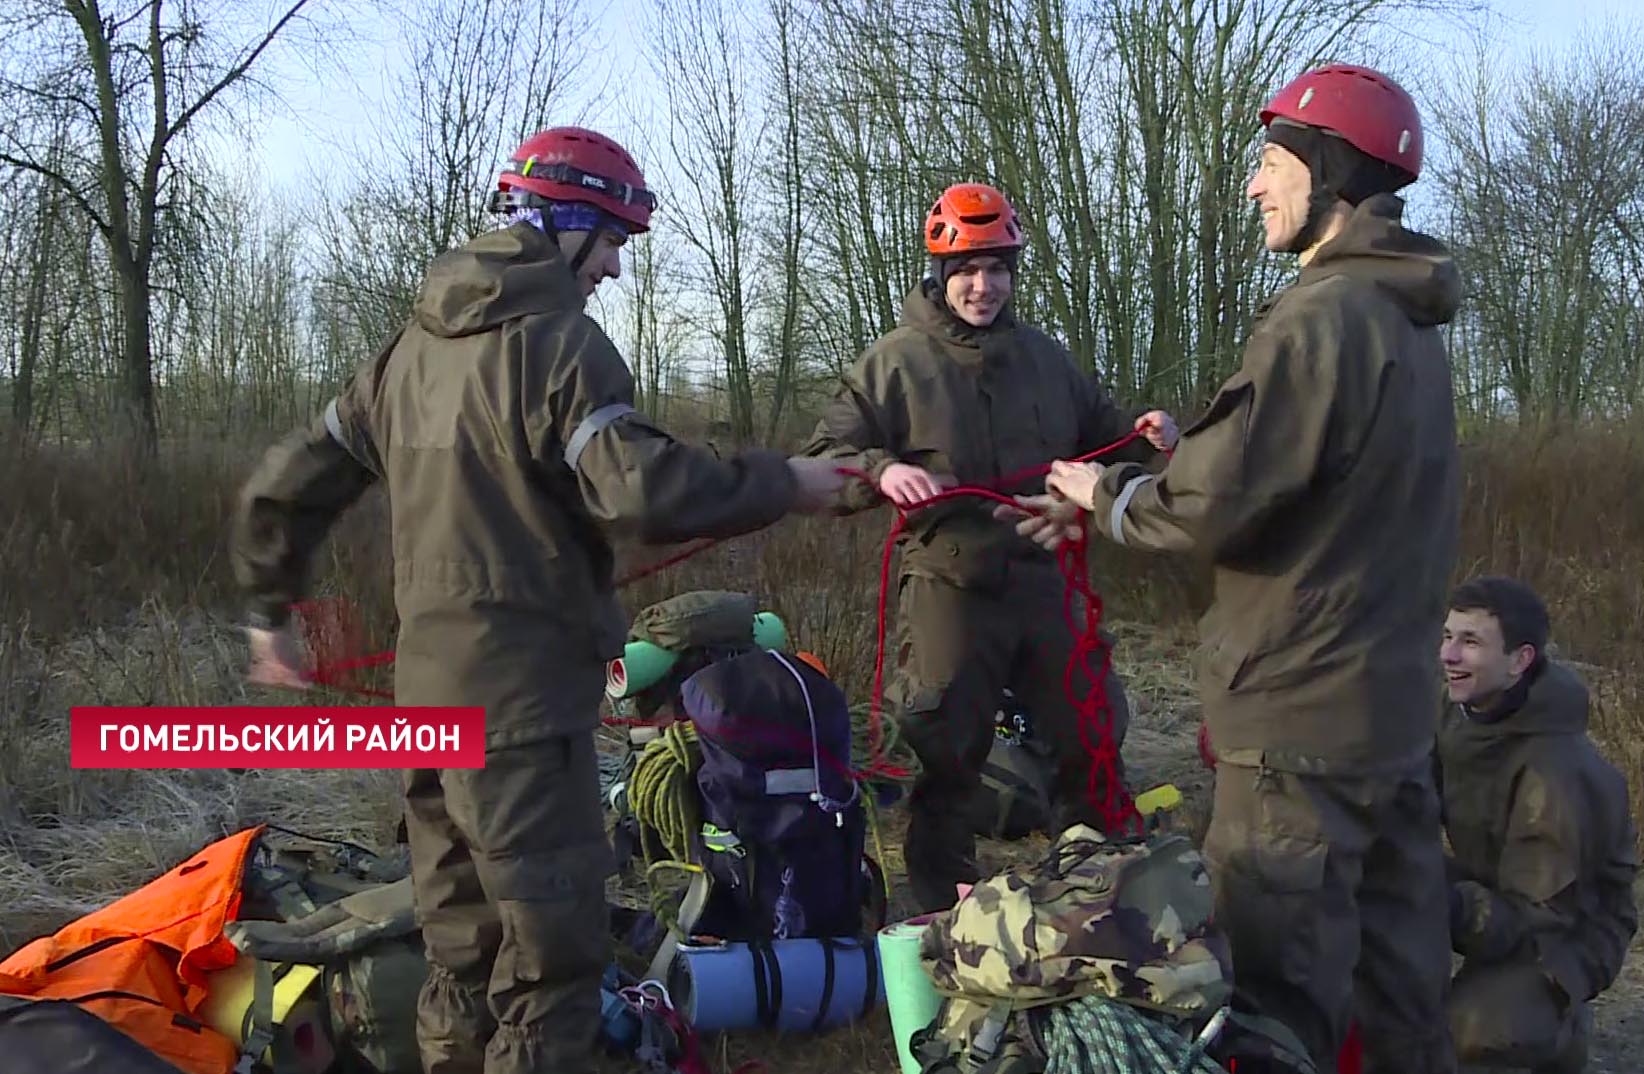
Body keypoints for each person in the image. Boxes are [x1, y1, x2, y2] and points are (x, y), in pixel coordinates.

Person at [228, 125, 845, 1074]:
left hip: (428, 709)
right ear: (564, 224)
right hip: (520, 722)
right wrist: (787, 482)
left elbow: (290, 479)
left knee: (460, 947)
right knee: (552, 966)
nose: (613, 267)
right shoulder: (562, 348)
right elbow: (639, 489)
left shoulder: (404, 353)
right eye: (612, 242)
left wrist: (272, 609)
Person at [1007, 65, 1464, 1074]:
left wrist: (1102, 495)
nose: (1254, 188)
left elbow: (1207, 506)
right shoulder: (1407, 329)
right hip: (1385, 718)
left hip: (1296, 729)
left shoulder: (1319, 318)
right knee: (1398, 993)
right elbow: (1307, 494)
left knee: (1270, 994)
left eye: (1268, 165)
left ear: (1327, 174)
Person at [800, 180, 1176, 913]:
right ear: (942, 276)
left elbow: (1107, 439)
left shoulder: (1046, 358)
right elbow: (821, 456)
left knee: (1089, 731)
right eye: (968, 270)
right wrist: (884, 469)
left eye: (997, 268)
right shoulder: (892, 362)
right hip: (949, 578)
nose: (984, 285)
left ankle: (1097, 894)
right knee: (945, 745)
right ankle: (944, 909)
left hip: (1046, 574)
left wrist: (1150, 437)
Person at [1436, 577, 1639, 1074]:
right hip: (1496, 888)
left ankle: (1558, 1029)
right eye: (1447, 636)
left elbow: (1537, 919)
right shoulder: (1460, 711)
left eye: (1471, 642)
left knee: (1471, 1032)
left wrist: (1441, 904)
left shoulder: (1554, 774)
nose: (1449, 655)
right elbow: (1405, 798)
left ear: (1520, 661)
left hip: (1565, 930)